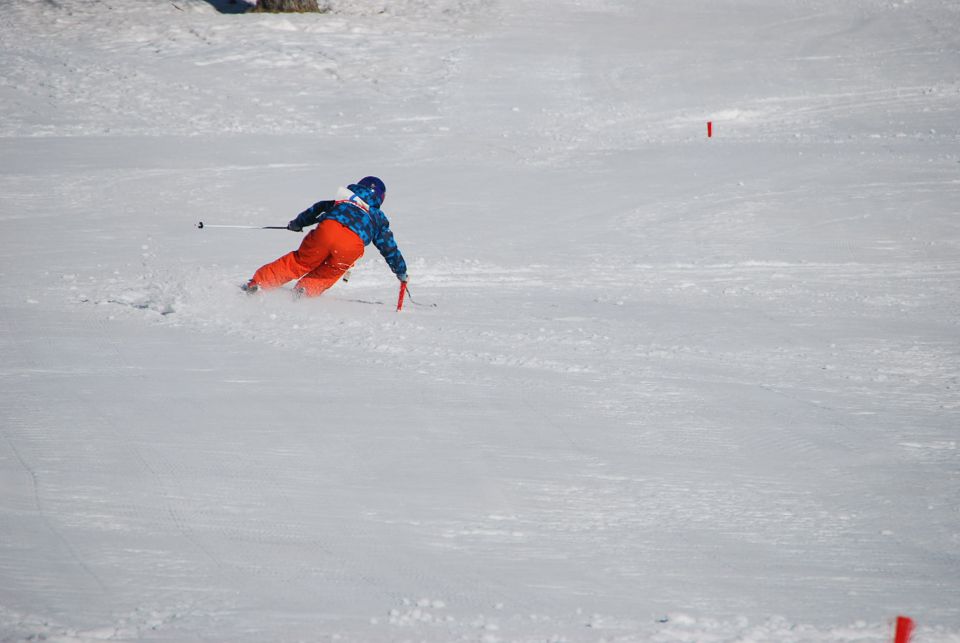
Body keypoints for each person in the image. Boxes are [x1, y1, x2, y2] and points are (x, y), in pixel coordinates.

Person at [243, 176, 408, 297]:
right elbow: (389, 247)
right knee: (331, 271)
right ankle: (304, 292)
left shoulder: (346, 199)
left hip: (328, 229)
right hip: (352, 244)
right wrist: (401, 271)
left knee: (300, 261)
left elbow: (318, 208)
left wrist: (297, 224)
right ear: (380, 198)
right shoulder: (377, 217)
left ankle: (258, 284)